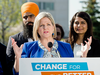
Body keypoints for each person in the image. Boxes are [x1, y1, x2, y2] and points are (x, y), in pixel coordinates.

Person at [6, 2, 39, 75]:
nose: (28, 20)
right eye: (25, 17)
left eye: (31, 16)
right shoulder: (14, 40)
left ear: (37, 17)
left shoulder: (44, 38)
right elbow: (8, 66)